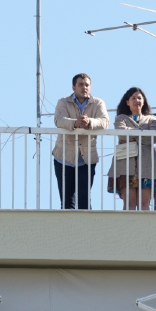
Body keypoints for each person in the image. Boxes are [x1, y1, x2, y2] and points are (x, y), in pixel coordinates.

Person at [51, 73, 110, 209]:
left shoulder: (98, 103)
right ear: (73, 87)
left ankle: (86, 228)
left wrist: (89, 122)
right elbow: (58, 120)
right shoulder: (63, 102)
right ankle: (68, 229)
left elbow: (105, 122)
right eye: (81, 84)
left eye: (87, 85)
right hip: (63, 157)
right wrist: (75, 123)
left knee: (84, 198)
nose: (84, 87)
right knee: (67, 200)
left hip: (87, 158)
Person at [109, 87, 156, 211]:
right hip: (125, 165)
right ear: (127, 102)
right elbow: (122, 133)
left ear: (143, 101)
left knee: (144, 204)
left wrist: (132, 135)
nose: (136, 100)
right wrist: (143, 133)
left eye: (139, 98)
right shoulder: (121, 118)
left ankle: (146, 229)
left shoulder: (151, 120)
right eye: (133, 98)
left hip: (147, 165)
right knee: (129, 203)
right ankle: (128, 229)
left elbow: (153, 138)